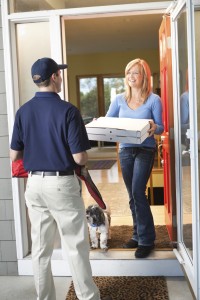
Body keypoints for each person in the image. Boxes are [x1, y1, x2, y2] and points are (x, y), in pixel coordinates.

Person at [10, 57, 111, 300]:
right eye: (60, 74)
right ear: (55, 77)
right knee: (75, 247)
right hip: (61, 185)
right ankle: (88, 297)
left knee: (41, 250)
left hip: (34, 185)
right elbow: (79, 158)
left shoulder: (23, 112)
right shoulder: (68, 111)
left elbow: (14, 154)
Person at [106, 58, 164, 258]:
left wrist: (155, 128)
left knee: (139, 192)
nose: (131, 76)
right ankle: (137, 235)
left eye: (136, 72)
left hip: (145, 150)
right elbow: (109, 120)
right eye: (128, 72)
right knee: (132, 195)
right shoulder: (119, 100)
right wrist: (101, 123)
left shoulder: (154, 100)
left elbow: (161, 127)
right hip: (125, 151)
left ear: (144, 76)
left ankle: (147, 240)